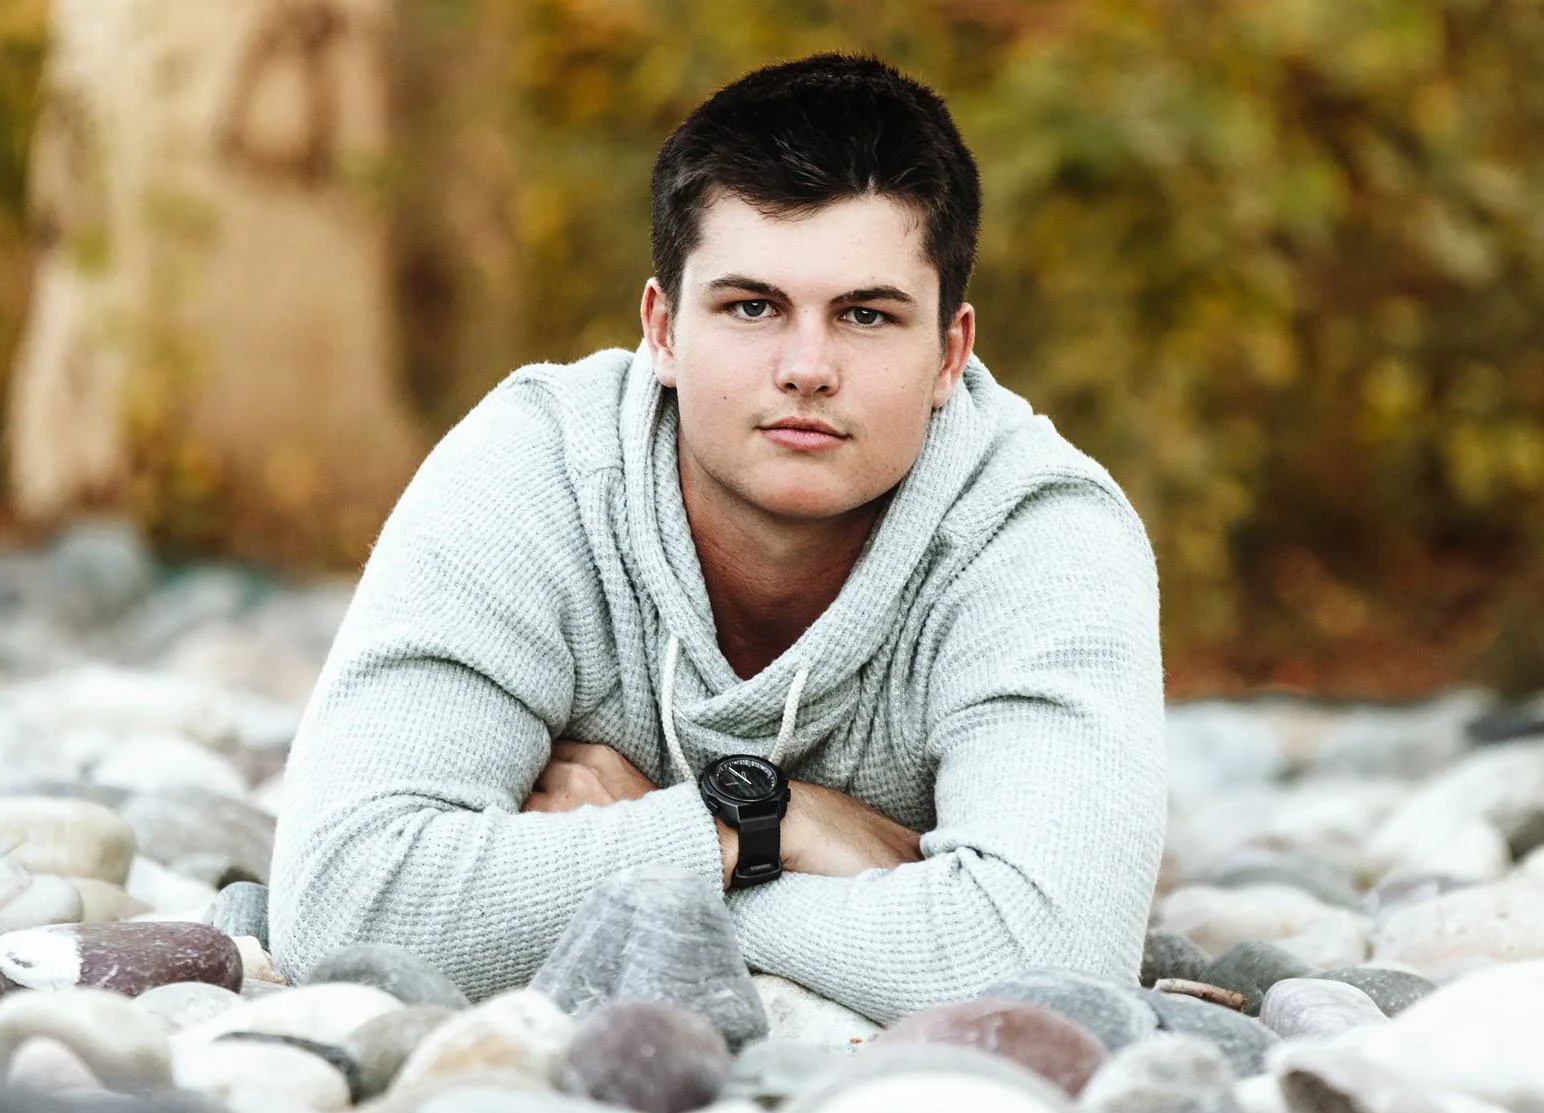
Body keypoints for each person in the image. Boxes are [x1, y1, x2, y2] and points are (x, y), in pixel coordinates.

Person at [269, 52, 1166, 1024]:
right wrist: (759, 827)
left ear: (950, 353)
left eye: (866, 314)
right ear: (661, 328)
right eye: (752, 306)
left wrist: (664, 860)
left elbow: (1052, 961)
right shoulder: (534, 468)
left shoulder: (1041, 528)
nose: (807, 367)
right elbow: (347, 901)